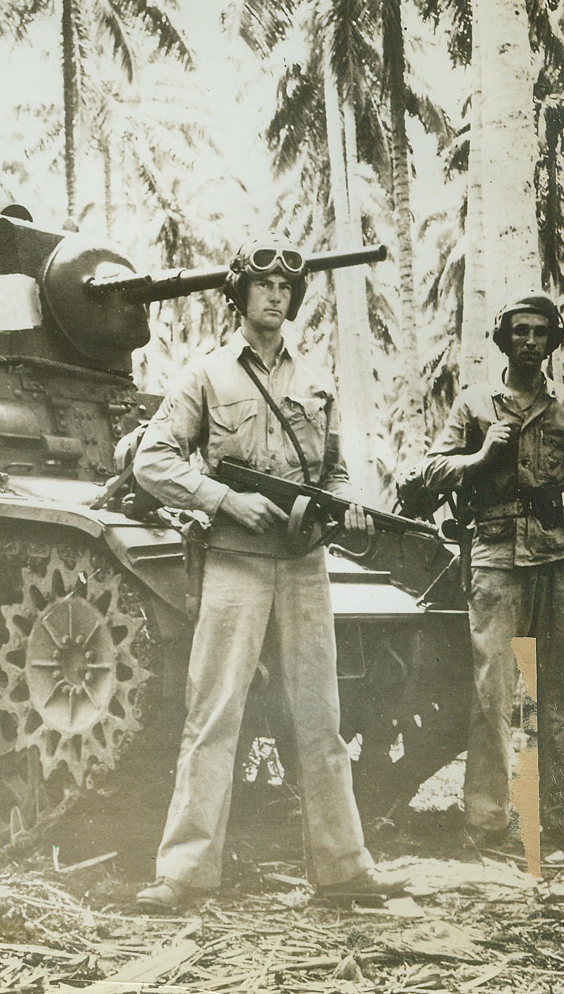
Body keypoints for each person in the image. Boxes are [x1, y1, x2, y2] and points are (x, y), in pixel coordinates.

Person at [131, 236, 407, 909]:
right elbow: (152, 461)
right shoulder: (206, 376)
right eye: (264, 286)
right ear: (241, 295)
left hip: (304, 564)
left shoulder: (315, 381)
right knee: (214, 713)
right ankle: (185, 873)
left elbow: (334, 472)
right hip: (236, 562)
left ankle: (343, 869)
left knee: (320, 717)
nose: (275, 296)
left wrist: (351, 510)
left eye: (286, 287)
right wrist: (225, 500)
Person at [417, 292, 564, 853]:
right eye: (519, 331)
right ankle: (486, 823)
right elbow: (431, 470)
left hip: (557, 561)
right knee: (492, 696)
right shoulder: (475, 403)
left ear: (552, 342)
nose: (530, 341)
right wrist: (480, 457)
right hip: (496, 562)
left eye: (540, 332)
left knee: (562, 697)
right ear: (503, 340)